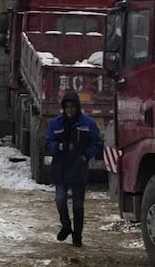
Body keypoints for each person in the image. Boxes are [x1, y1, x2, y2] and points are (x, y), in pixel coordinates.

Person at [45, 90, 102, 247]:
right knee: (60, 200)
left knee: (78, 205)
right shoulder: (55, 124)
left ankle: (78, 236)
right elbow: (48, 142)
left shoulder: (88, 124)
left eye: (72, 107)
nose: (70, 110)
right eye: (67, 107)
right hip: (61, 169)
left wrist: (85, 156)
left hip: (78, 169)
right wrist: (60, 146)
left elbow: (97, 144)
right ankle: (66, 226)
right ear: (64, 107)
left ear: (77, 107)